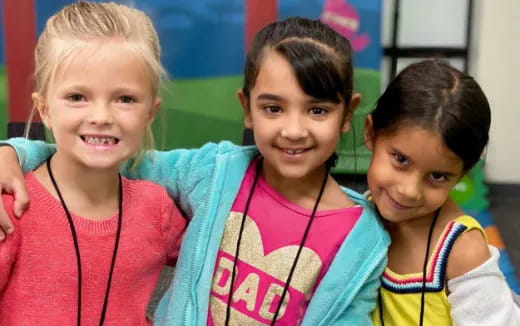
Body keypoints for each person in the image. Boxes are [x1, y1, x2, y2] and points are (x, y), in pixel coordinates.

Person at [0, 17, 389, 325]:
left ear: (347, 115)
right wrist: (12, 152)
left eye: (317, 110)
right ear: (246, 107)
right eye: (273, 108)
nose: (293, 129)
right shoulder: (214, 171)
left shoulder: (364, 238)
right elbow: (104, 155)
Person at [0, 2, 186, 324]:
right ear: (44, 109)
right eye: (77, 97)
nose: (101, 117)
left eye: (125, 99)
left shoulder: (157, 210)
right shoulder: (11, 210)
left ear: (150, 114)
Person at [364, 59, 520, 325]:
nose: (409, 191)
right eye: (401, 160)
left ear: (462, 174)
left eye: (437, 176)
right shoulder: (359, 215)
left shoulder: (461, 251)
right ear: (370, 133)